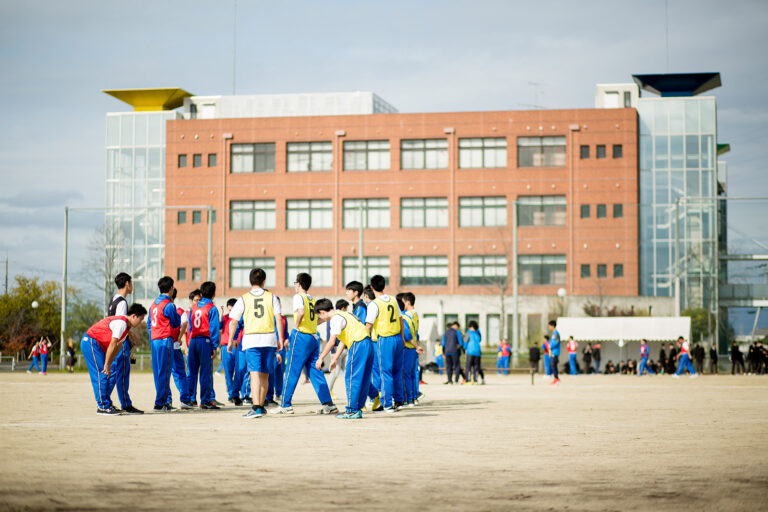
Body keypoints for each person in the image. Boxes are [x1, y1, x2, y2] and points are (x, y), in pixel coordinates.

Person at [227, 268, 285, 419]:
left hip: (252, 339)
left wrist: (230, 340)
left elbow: (233, 321)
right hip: (269, 338)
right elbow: (278, 318)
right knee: (265, 374)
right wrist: (280, 338)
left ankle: (256, 407)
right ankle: (261, 406)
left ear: (249, 281)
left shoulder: (244, 298)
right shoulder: (272, 297)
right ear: (264, 281)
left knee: (254, 374)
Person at [277, 272, 336, 415]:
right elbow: (318, 320)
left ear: (298, 284)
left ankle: (285, 404)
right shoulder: (312, 299)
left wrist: (296, 326)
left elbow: (301, 312)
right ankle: (328, 403)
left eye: (295, 283)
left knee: (292, 369)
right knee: (316, 371)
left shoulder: (298, 296)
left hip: (301, 336)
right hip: (313, 337)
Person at [80, 304, 147, 414]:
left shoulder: (126, 327)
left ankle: (107, 403)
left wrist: (109, 364)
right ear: (134, 316)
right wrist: (106, 364)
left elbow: (118, 347)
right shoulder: (122, 323)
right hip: (91, 342)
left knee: (106, 373)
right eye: (141, 319)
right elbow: (112, 343)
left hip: (97, 345)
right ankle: (102, 406)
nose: (141, 322)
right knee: (101, 373)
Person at [314, 298, 375, 419]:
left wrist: (320, 358)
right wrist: (335, 359)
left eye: (320, 317)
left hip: (358, 344)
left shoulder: (335, 319)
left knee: (351, 377)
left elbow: (331, 342)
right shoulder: (345, 314)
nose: (321, 320)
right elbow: (343, 340)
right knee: (363, 379)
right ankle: (357, 409)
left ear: (322, 312)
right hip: (367, 343)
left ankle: (352, 410)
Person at [365, 275, 405, 412]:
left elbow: (368, 326)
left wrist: (363, 340)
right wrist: (402, 338)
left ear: (371, 287)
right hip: (398, 338)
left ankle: (387, 403)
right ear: (384, 286)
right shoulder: (393, 299)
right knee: (397, 371)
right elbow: (401, 320)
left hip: (385, 339)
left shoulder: (374, 304)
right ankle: (399, 400)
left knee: (385, 373)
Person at [181, 281, 220, 410]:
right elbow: (214, 328)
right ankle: (205, 400)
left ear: (201, 293)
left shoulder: (194, 307)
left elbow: (190, 327)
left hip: (193, 341)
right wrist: (214, 346)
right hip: (205, 341)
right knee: (205, 372)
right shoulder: (212, 308)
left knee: (191, 371)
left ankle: (191, 399)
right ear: (214, 294)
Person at [107, 272, 142, 414]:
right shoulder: (122, 302)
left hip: (115, 340)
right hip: (120, 342)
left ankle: (105, 401)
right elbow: (120, 324)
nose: (132, 286)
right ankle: (125, 404)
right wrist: (129, 337)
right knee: (121, 374)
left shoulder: (113, 299)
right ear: (127, 283)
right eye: (131, 283)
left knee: (115, 373)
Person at [147, 276, 182, 411]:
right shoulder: (169, 305)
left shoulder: (153, 304)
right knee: (165, 372)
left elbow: (149, 324)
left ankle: (163, 401)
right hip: (164, 340)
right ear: (171, 288)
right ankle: (160, 402)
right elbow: (175, 323)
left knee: (158, 372)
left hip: (155, 340)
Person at [398, 295, 423, 404]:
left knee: (406, 374)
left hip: (408, 348)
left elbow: (407, 335)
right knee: (412, 374)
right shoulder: (414, 315)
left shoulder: (405, 316)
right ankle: (413, 396)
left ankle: (409, 398)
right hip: (413, 348)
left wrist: (416, 345)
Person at [327, 299, 350, 396]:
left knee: (347, 370)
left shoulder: (341, 317)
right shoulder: (334, 318)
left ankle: (348, 392)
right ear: (343, 308)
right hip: (337, 348)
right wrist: (332, 351)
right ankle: (328, 391)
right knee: (335, 371)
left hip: (345, 348)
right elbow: (330, 335)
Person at [266, 314, 288, 407]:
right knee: (271, 371)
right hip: (273, 346)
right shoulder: (270, 317)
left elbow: (285, 332)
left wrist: (287, 339)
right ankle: (268, 396)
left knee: (280, 371)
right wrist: (276, 350)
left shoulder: (283, 318)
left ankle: (279, 393)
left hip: (282, 347)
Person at [219, 298, 237, 401]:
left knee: (239, 371)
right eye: (229, 310)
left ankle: (237, 392)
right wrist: (221, 314)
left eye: (233, 310)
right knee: (228, 372)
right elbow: (219, 327)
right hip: (226, 347)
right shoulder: (225, 318)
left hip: (236, 346)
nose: (231, 312)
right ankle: (231, 394)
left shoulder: (239, 319)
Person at [548, 320, 561, 385]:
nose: (549, 327)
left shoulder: (556, 333)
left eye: (549, 326)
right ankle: (556, 378)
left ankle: (556, 378)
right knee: (553, 365)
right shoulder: (554, 333)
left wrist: (550, 346)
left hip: (555, 352)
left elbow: (556, 342)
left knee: (553, 365)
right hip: (553, 352)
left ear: (552, 326)